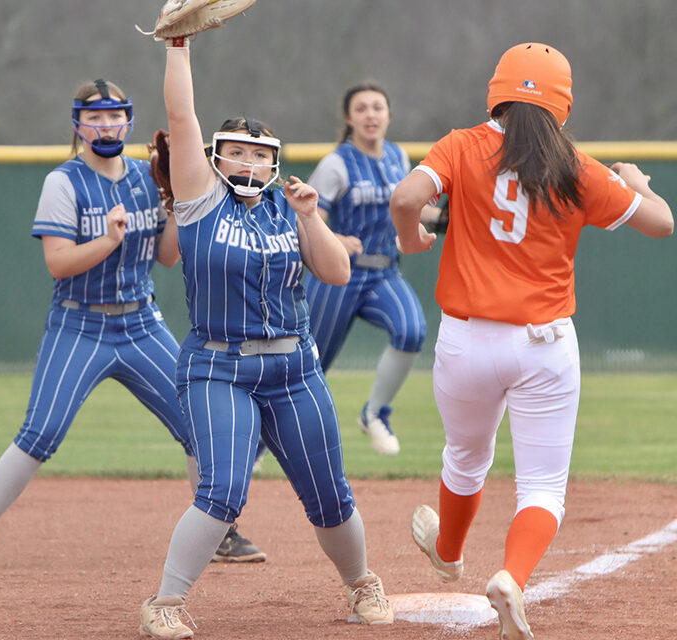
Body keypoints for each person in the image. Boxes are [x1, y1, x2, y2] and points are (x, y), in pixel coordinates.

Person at [390, 42, 673, 640]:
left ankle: (448, 551)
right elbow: (661, 223)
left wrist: (413, 240)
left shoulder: (463, 144)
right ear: (563, 104)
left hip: (466, 341)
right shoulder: (578, 166)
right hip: (544, 344)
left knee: (465, 457)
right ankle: (512, 578)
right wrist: (642, 185)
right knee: (542, 485)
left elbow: (406, 199)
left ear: (496, 93)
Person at [137, 35, 393, 639]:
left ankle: (361, 584)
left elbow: (335, 271)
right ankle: (166, 602)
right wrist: (178, 46)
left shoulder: (288, 206)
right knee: (223, 489)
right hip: (217, 368)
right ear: (215, 159)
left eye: (259, 156)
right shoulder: (200, 201)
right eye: (236, 155)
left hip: (294, 369)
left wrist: (310, 216)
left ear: (274, 162)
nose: (248, 165)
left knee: (329, 495)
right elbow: (181, 114)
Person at [0, 78, 265, 570]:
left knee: (195, 424)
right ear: (77, 124)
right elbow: (58, 263)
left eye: (115, 114)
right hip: (80, 324)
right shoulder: (64, 181)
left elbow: (166, 258)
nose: (106, 124)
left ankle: (221, 530)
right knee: (42, 433)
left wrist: (176, 207)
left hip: (141, 324)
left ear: (129, 119)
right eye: (95, 116)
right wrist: (106, 240)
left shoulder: (148, 176)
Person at [303, 82, 442, 456]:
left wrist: (446, 217)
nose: (370, 115)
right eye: (361, 108)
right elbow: (308, 221)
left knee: (411, 330)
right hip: (337, 274)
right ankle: (262, 445)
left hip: (382, 272)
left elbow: (415, 207)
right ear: (349, 118)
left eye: (377, 108)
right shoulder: (337, 163)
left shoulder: (398, 157)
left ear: (389, 116)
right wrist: (335, 241)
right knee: (308, 366)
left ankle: (375, 413)